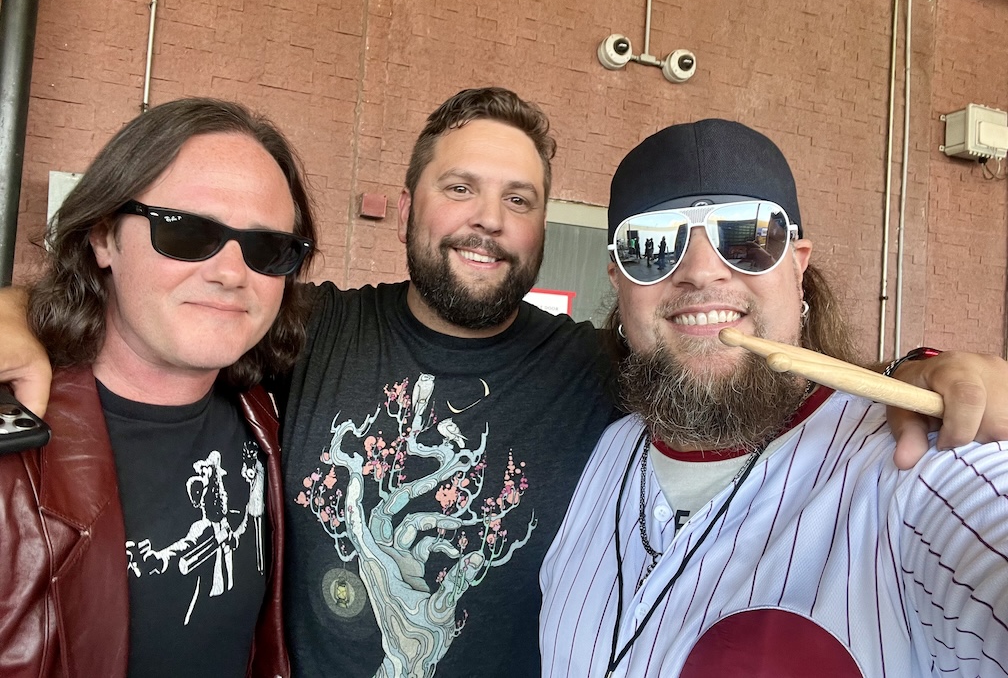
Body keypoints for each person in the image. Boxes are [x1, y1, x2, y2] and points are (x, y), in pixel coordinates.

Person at [2, 90, 1008, 678]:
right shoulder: (304, 332)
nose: (487, 219)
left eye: (519, 199)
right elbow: (165, 326)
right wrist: (20, 314)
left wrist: (929, 378)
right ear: (406, 205)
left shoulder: (601, 373)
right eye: (459, 188)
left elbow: (738, 374)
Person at [539, 119, 1008, 677]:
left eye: (746, 235)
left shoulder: (913, 460)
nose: (701, 271)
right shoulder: (599, 447)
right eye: (653, 245)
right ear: (618, 278)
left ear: (798, 264)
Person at [0, 98, 318, 677]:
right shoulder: (12, 450)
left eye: (268, 248)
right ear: (102, 238)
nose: (229, 272)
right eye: (187, 231)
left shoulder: (270, 409)